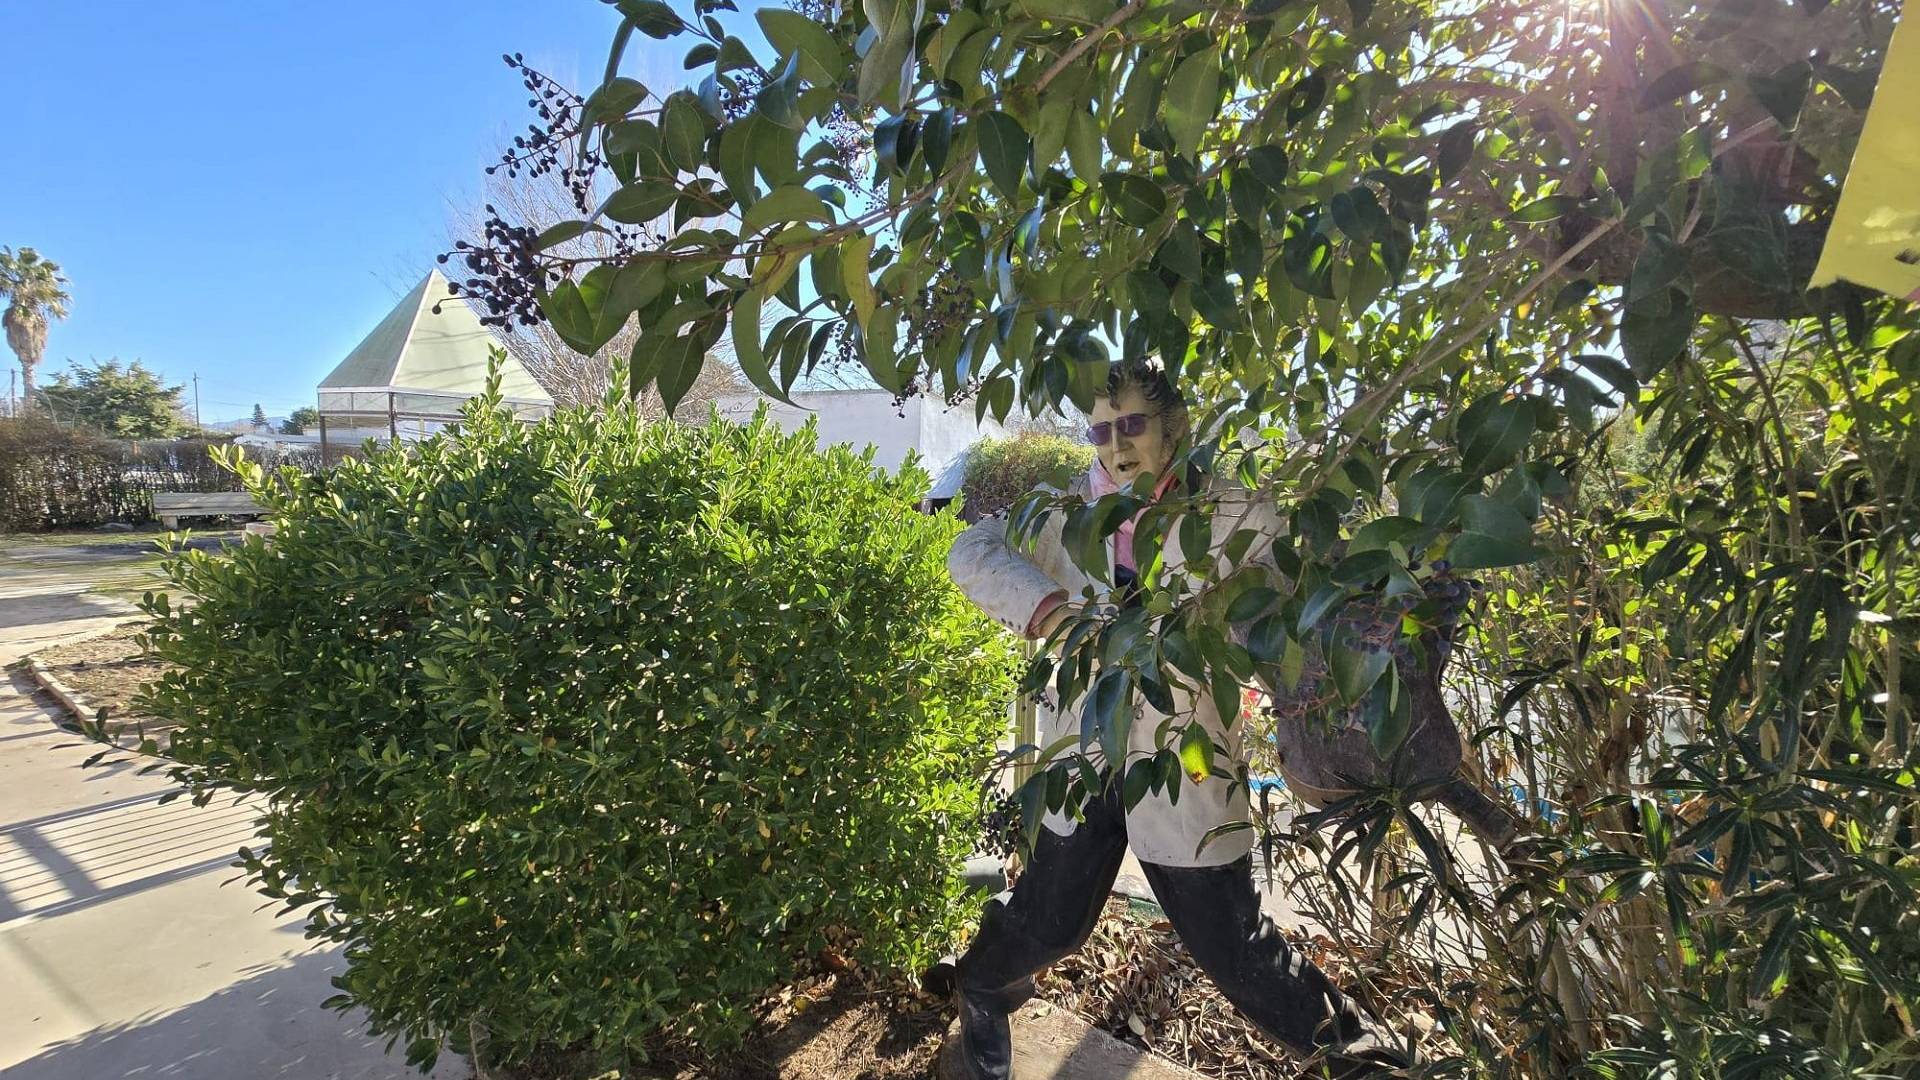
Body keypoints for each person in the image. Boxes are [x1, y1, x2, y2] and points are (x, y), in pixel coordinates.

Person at [931, 360, 1408, 1079]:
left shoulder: (1236, 512)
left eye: (1133, 424)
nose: (1117, 445)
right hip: (1084, 756)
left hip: (1186, 761)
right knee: (1050, 921)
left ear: (1174, 426)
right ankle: (982, 987)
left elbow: (1316, 591)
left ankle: (1369, 1065)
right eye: (1101, 430)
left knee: (1236, 945)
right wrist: (1052, 611)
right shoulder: (1063, 508)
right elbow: (971, 550)